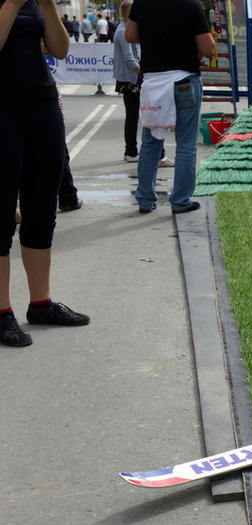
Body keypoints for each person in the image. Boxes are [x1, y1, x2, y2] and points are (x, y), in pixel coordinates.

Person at [1, 0, 90, 347]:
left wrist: (48, 5)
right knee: (2, 213)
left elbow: (61, 49)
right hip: (2, 109)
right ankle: (1, 312)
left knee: (42, 205)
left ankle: (41, 303)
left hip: (41, 102)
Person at [127, 0, 215, 214]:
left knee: (150, 143)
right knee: (185, 144)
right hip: (184, 79)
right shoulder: (191, 5)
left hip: (153, 82)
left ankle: (145, 200)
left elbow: (130, 36)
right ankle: (180, 201)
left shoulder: (141, 3)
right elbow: (208, 48)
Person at [115, 0, 141, 162]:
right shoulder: (123, 31)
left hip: (129, 78)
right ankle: (130, 151)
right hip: (130, 79)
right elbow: (129, 58)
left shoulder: (124, 28)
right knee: (132, 116)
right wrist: (142, 72)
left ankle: (130, 150)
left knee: (133, 115)